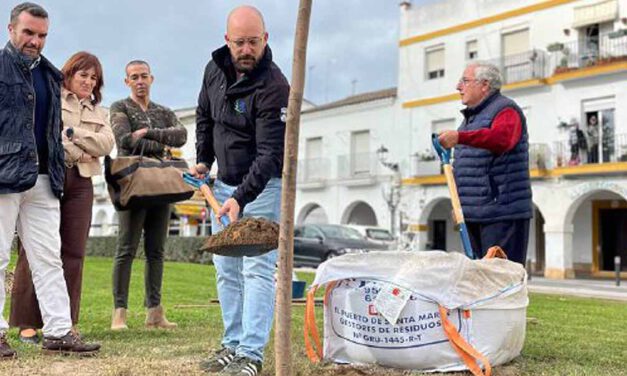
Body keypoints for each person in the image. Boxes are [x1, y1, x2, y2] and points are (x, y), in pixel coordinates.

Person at [191, 5, 288, 375]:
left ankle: (251, 354)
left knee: (258, 269)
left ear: (265, 39)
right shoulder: (213, 69)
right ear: (226, 40)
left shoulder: (274, 86)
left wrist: (239, 198)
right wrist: (203, 161)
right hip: (224, 181)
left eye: (253, 42)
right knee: (226, 268)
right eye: (239, 43)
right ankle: (231, 345)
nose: (246, 50)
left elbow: (268, 155)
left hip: (261, 186)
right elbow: (204, 116)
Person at [0, 2, 100, 357]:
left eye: (42, 35)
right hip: (5, 178)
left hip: (44, 180)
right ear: (11, 29)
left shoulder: (50, 75)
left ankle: (58, 332)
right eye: (28, 32)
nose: (35, 41)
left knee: (48, 257)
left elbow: (54, 131)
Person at [9, 51, 114, 344]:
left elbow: (107, 143)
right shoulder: (52, 98)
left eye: (94, 78)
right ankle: (27, 323)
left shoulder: (98, 111)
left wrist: (72, 133)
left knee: (74, 253)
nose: (89, 82)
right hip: (49, 175)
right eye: (83, 75)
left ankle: (65, 324)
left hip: (82, 182)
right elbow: (48, 137)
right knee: (36, 250)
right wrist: (82, 146)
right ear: (69, 73)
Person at [109, 60, 187, 330]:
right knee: (126, 248)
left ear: (151, 79)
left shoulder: (164, 112)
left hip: (161, 182)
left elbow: (182, 136)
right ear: (126, 81)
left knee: (157, 250)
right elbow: (124, 139)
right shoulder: (120, 107)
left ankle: (154, 311)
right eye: (134, 77)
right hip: (133, 182)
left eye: (144, 76)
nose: (139, 81)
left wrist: (149, 132)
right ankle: (119, 312)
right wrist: (160, 141)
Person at [438, 62, 532, 265]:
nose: (458, 87)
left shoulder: (506, 109)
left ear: (484, 85)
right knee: (480, 281)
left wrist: (460, 138)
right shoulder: (471, 119)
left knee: (500, 278)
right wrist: (461, 206)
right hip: (475, 213)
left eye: (465, 80)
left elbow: (502, 138)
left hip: (500, 212)